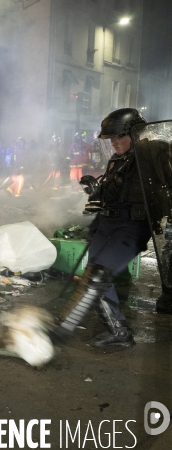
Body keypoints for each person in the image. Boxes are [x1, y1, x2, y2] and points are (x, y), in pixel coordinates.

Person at [57, 108, 153, 349]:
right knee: (94, 276)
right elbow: (112, 196)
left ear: (135, 134)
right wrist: (95, 190)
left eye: (120, 137)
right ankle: (117, 329)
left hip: (130, 227)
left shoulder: (147, 160)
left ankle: (67, 331)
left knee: (98, 275)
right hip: (107, 225)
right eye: (112, 139)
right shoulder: (117, 161)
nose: (115, 143)